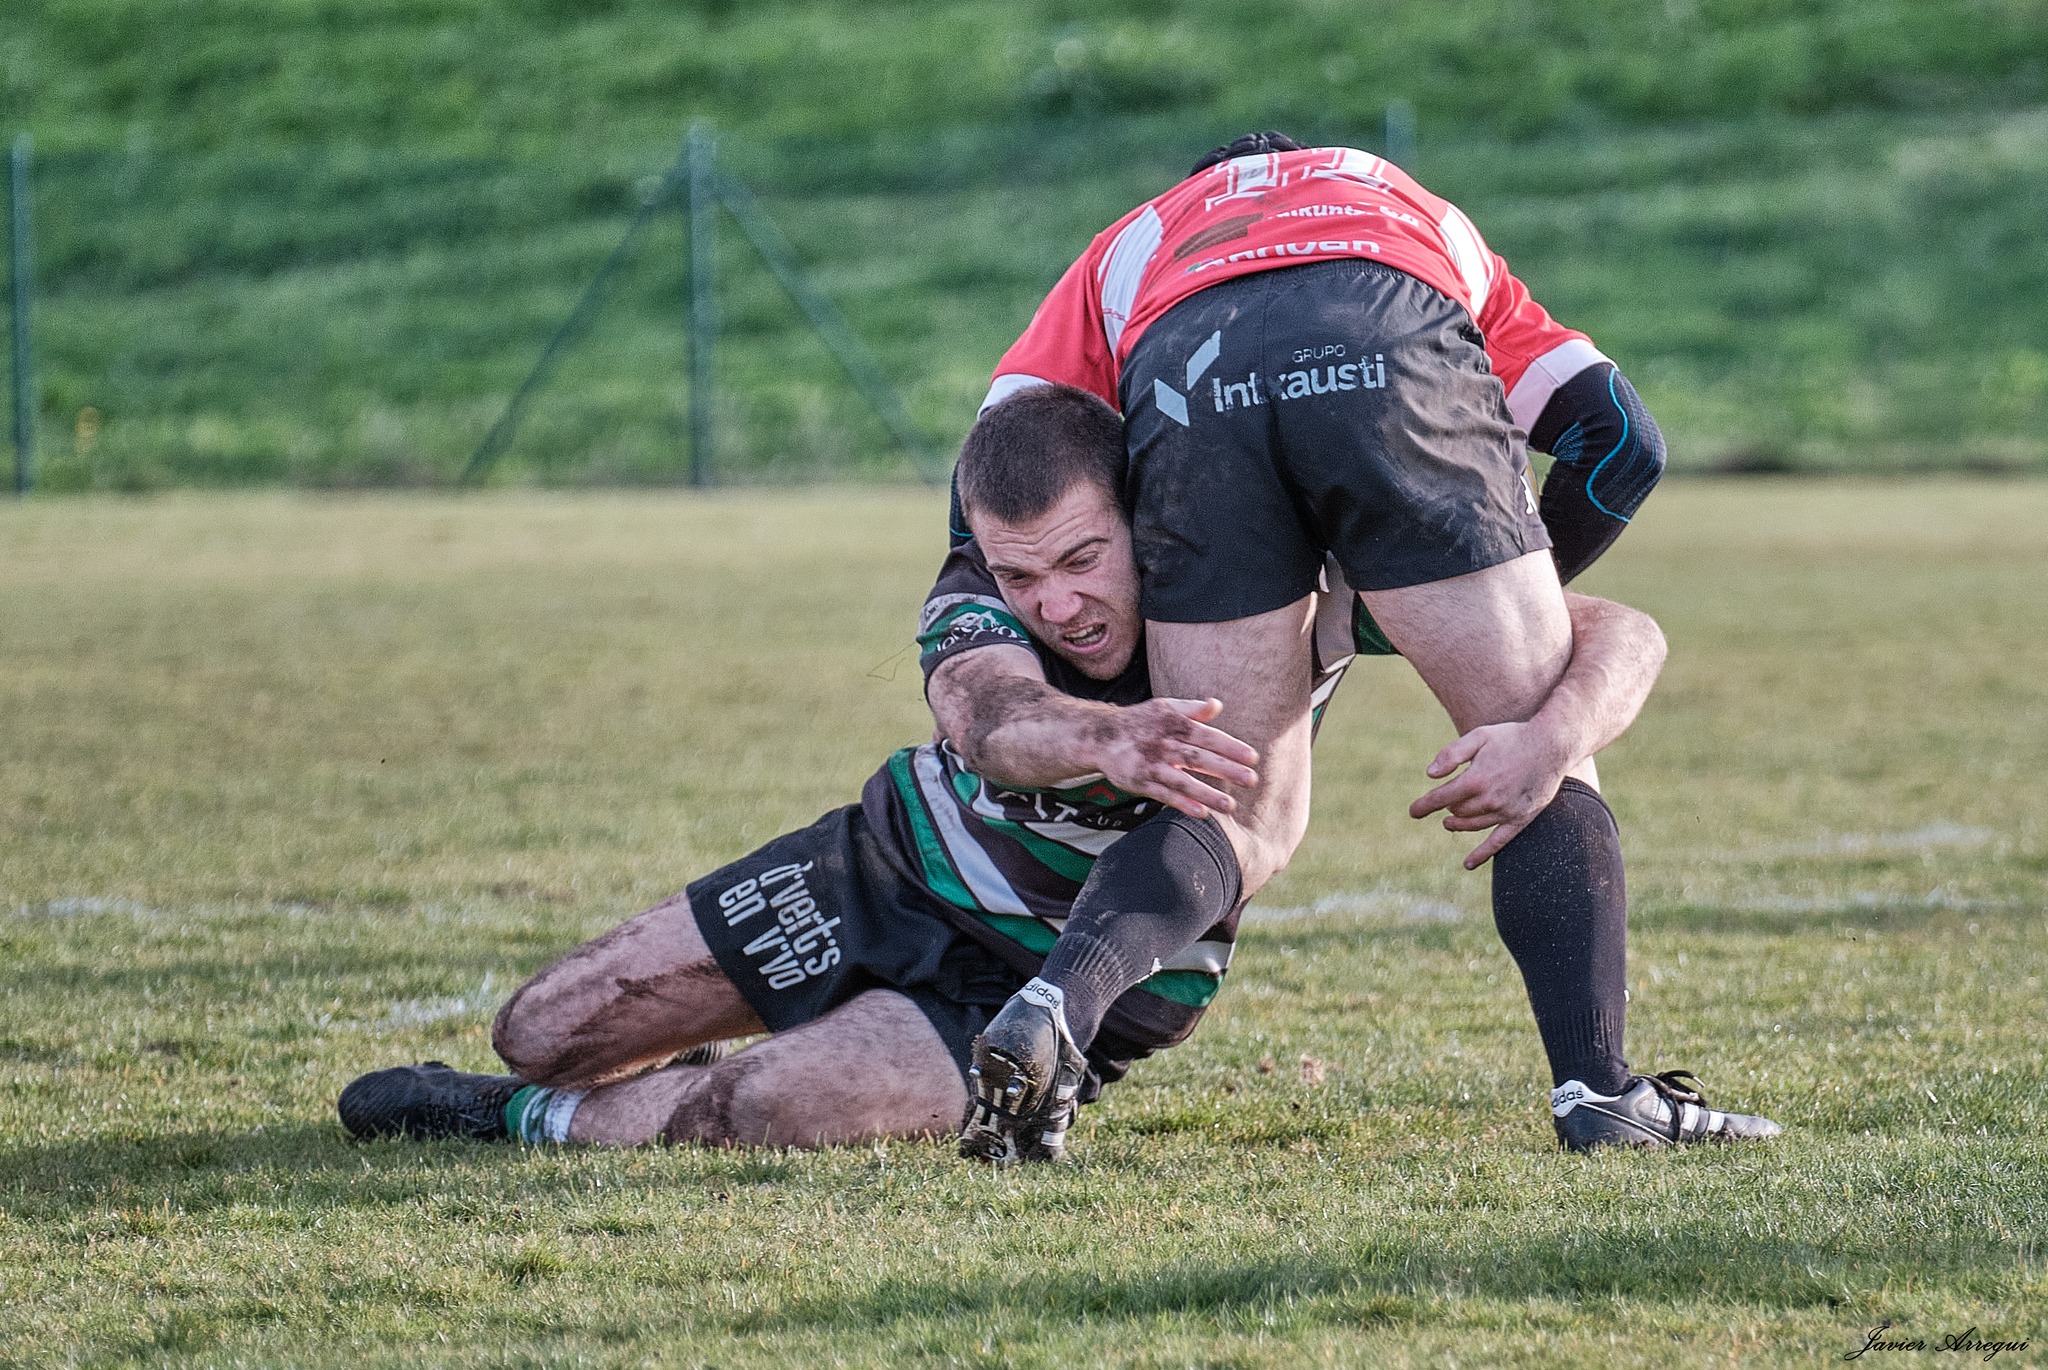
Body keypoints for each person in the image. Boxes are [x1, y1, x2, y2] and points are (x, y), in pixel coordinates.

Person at [335, 387, 1692, 1156]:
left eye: (1084, 560)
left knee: (760, 1107)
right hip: (886, 869)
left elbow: (1619, 630)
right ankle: (577, 1068)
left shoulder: (1276, 595)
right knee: (544, 1015)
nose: (1058, 603)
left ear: (1143, 517)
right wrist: (1109, 736)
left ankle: (523, 1121)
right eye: (1020, 571)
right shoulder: (978, 589)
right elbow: (986, 715)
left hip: (1080, 975)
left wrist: (1548, 739)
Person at [952, 132, 1778, 1156]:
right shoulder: (1398, 200)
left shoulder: (1135, 241)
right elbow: (1621, 440)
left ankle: (1053, 1005)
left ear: (1201, 186)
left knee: (1233, 804)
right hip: (1378, 319)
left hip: (1189, 361)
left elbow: (993, 466)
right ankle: (1596, 1091)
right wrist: (1487, 586)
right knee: (1535, 733)